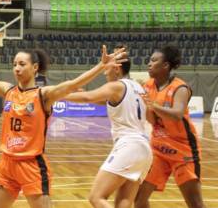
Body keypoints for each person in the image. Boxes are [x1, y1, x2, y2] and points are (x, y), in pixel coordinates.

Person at [0, 44, 127, 208]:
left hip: (32, 166)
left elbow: (72, 84)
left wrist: (101, 66)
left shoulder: (44, 95)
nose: (16, 68)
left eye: (22, 64)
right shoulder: (8, 91)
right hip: (7, 164)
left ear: (35, 67)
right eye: (14, 65)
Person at [63, 46, 152, 208]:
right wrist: (76, 96)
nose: (104, 72)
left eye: (107, 68)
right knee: (123, 202)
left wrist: (57, 95)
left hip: (129, 145)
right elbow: (101, 100)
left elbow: (87, 97)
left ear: (117, 69)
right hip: (144, 149)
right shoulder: (138, 87)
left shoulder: (116, 86)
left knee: (96, 197)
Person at [134, 45, 205, 208]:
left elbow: (177, 114)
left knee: (195, 203)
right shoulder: (147, 86)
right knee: (139, 198)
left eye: (154, 60)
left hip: (183, 150)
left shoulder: (180, 87)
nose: (149, 64)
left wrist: (153, 105)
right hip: (158, 149)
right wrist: (143, 105)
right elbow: (152, 120)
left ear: (165, 65)